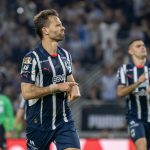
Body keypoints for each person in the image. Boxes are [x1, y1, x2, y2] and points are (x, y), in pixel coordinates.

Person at [20, 9, 81, 150]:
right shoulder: (32, 58)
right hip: (38, 124)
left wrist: (74, 87)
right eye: (58, 25)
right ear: (45, 30)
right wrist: (55, 87)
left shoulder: (66, 55)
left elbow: (69, 77)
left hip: (63, 120)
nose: (63, 27)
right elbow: (26, 93)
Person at [117, 39, 150, 150]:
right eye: (138, 46)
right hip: (135, 117)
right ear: (130, 51)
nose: (142, 47)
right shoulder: (125, 70)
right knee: (141, 145)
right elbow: (120, 92)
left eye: (143, 45)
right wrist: (138, 82)